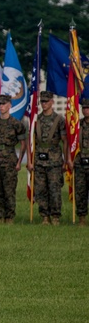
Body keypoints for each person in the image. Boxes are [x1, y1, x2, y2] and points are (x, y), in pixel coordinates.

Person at [0, 94, 28, 223]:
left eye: (4, 104)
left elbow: (23, 144)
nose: (1, 106)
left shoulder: (16, 124)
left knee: (9, 190)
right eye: (0, 104)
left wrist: (19, 161)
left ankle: (9, 217)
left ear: (10, 106)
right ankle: (0, 216)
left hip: (9, 159)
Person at [28, 91, 70, 225]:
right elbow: (31, 141)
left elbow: (65, 141)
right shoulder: (36, 119)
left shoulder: (59, 119)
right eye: (42, 101)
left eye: (46, 101)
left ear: (52, 102)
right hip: (39, 160)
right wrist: (29, 161)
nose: (44, 104)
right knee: (40, 190)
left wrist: (65, 160)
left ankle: (56, 216)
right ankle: (44, 216)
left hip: (54, 160)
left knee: (55, 189)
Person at [75, 97, 89, 226]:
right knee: (80, 191)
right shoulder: (77, 125)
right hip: (80, 163)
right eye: (84, 108)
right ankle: (81, 218)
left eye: (88, 108)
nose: (86, 110)